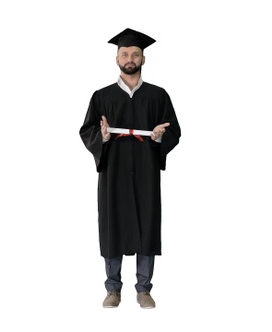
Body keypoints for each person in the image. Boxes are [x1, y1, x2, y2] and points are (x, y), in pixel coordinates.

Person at [79, 28, 181, 309]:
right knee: (113, 225)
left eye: (135, 54)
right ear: (117, 59)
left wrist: (160, 136)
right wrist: (103, 137)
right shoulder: (102, 96)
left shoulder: (158, 95)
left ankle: (143, 289)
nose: (130, 58)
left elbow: (174, 131)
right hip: (114, 171)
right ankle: (113, 289)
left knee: (146, 224)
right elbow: (87, 130)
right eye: (125, 54)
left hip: (146, 171)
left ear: (143, 59)